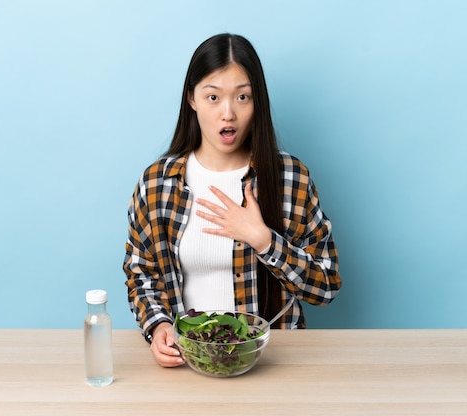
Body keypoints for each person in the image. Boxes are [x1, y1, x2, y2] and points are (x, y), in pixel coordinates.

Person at [123, 33, 341, 367]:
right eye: (213, 97)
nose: (228, 114)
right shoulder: (157, 183)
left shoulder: (290, 178)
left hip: (273, 363)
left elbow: (325, 286)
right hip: (191, 361)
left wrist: (264, 240)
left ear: (258, 103)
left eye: (243, 97)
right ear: (192, 99)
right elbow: (142, 273)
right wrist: (159, 325)